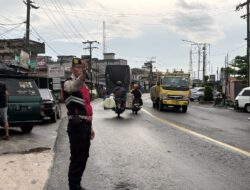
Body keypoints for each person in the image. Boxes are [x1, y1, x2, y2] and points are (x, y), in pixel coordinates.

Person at [63, 57, 95, 190]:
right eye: (76, 68)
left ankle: (77, 183)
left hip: (85, 125)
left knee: (84, 156)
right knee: (76, 157)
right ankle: (73, 186)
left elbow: (87, 106)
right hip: (76, 126)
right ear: (72, 69)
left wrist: (91, 127)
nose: (79, 70)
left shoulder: (86, 86)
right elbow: (75, 85)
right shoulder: (68, 84)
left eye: (80, 68)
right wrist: (84, 73)